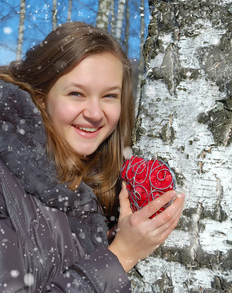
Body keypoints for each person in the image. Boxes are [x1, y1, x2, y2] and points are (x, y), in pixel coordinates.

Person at [0, 21, 185, 292]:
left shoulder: (100, 185)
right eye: (77, 93)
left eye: (109, 96)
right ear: (41, 97)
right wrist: (121, 256)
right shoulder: (5, 183)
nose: (96, 113)